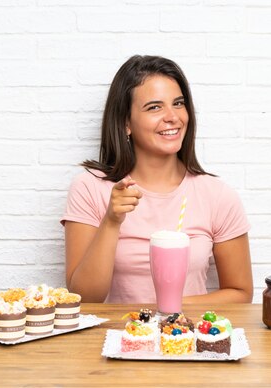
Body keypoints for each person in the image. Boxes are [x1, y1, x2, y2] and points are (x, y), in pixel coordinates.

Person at [61, 55, 253, 304]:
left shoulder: (217, 195)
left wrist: (169, 307)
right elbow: (84, 297)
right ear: (125, 123)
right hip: (120, 339)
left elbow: (240, 293)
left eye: (178, 103)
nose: (172, 116)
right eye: (154, 107)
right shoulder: (90, 188)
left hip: (184, 339)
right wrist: (111, 221)